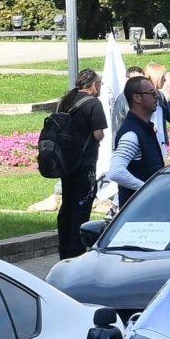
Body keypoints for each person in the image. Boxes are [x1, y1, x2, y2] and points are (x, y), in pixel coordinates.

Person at [53, 69, 106, 260]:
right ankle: (76, 249)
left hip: (64, 163)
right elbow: (98, 134)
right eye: (99, 83)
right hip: (84, 164)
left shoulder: (64, 101)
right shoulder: (93, 103)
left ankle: (64, 247)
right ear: (93, 85)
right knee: (81, 206)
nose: (99, 87)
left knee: (67, 204)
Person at [106, 77, 167, 208]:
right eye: (151, 92)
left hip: (149, 208)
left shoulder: (144, 128)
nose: (157, 96)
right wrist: (146, 189)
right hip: (139, 211)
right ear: (137, 98)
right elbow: (116, 172)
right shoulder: (131, 134)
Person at [145, 62, 170, 138]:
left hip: (161, 141)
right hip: (149, 140)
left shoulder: (161, 96)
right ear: (155, 78)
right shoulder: (143, 96)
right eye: (162, 77)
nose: (165, 80)